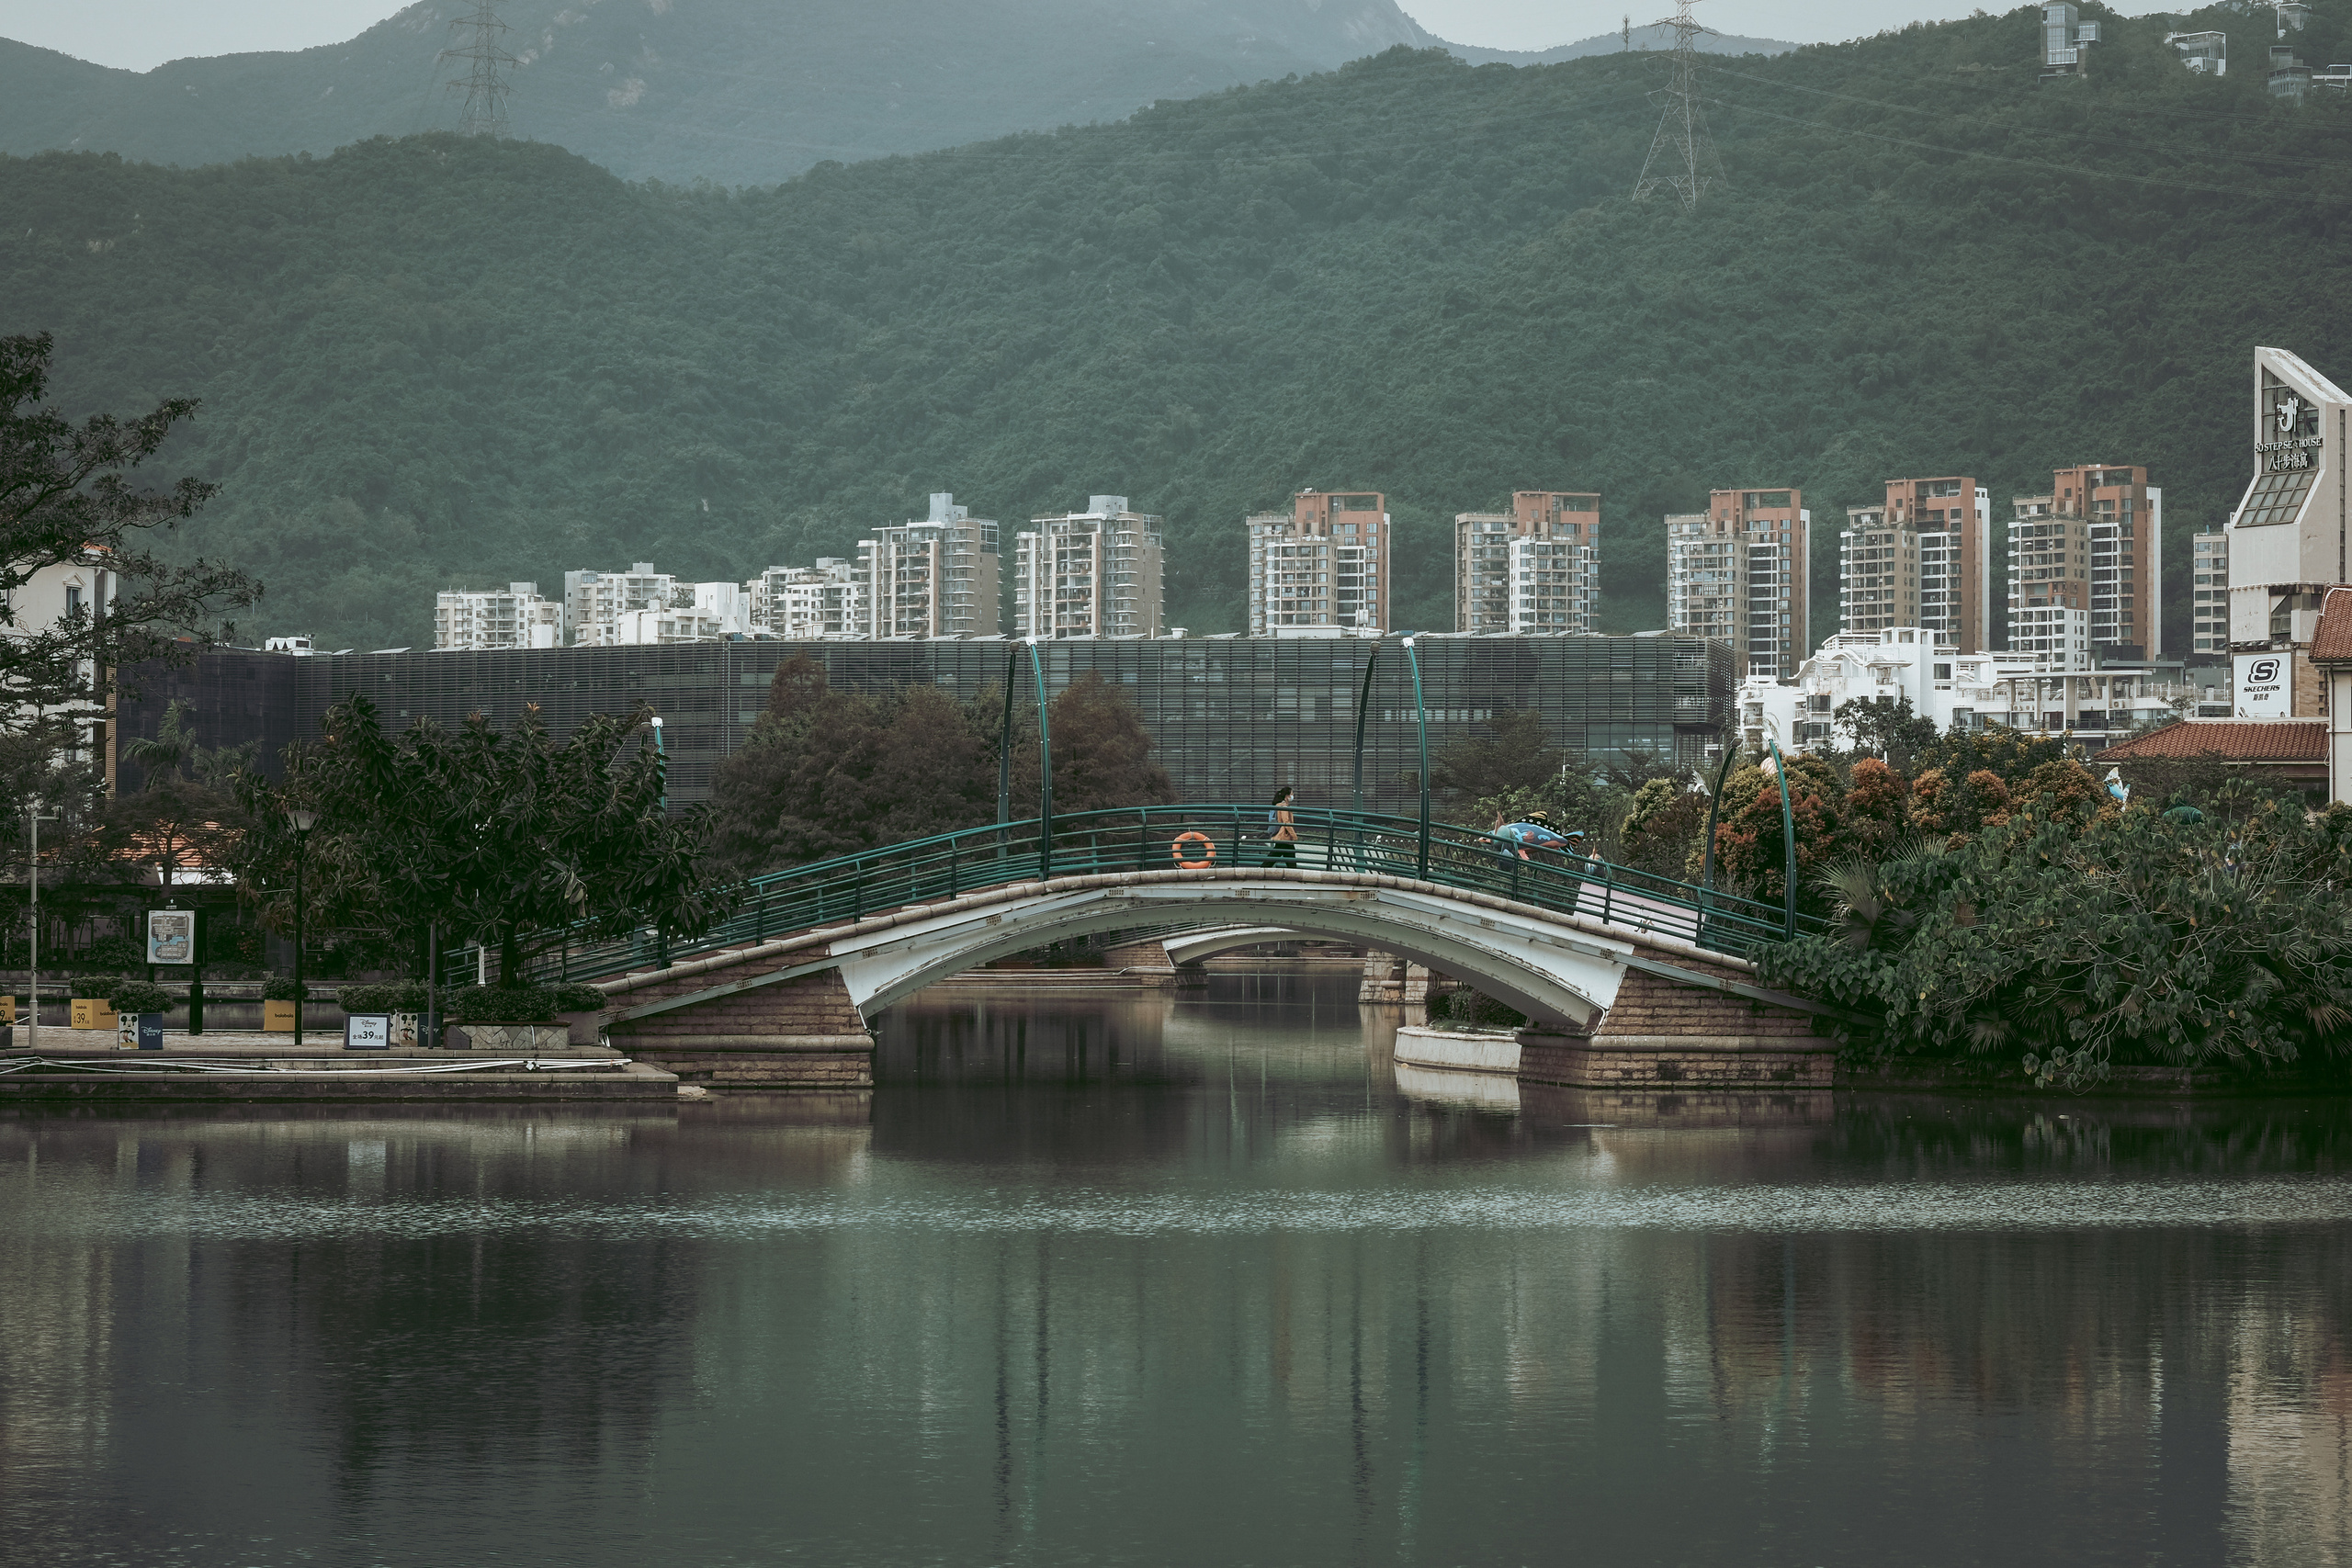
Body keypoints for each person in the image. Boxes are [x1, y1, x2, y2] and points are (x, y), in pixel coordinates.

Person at [1264, 786, 1297, 866]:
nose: (1293, 796)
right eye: (1292, 794)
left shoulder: (1279, 805)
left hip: (1283, 836)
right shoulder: (1284, 807)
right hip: (1285, 835)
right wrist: (1294, 835)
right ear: (1287, 796)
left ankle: (1261, 869)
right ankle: (1261, 869)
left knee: (1281, 855)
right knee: (1282, 855)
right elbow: (1286, 822)